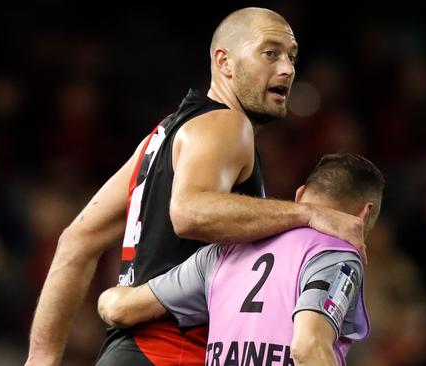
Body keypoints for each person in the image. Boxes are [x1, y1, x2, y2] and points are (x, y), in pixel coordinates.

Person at [26, 7, 370, 366]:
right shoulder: (228, 124)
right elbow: (190, 213)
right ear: (224, 61)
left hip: (125, 354)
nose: (287, 68)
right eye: (270, 53)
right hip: (174, 353)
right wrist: (309, 214)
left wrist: (39, 360)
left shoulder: (159, 139)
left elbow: (76, 241)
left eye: (291, 57)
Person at [98, 153, 384, 366]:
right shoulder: (337, 257)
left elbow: (121, 311)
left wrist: (105, 299)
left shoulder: (223, 252)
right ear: (364, 213)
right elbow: (309, 345)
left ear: (299, 196)